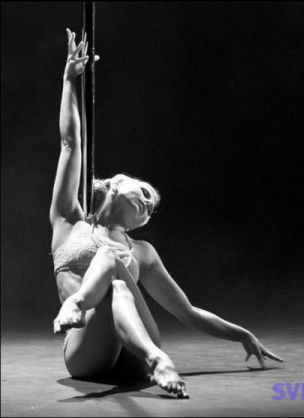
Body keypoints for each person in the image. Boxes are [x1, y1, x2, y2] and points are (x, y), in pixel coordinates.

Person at [50, 28, 284, 399]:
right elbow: (69, 143)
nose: (148, 205)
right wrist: (69, 80)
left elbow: (188, 312)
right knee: (113, 275)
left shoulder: (142, 251)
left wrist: (242, 334)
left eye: (150, 209)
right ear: (116, 184)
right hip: (86, 350)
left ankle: (154, 357)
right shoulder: (68, 221)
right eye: (145, 194)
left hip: (133, 354)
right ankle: (93, 314)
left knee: (115, 272)